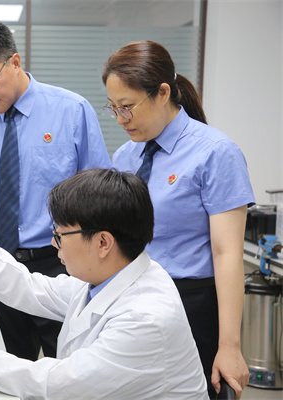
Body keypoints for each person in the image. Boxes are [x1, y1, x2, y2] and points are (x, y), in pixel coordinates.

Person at [0, 169, 207, 400]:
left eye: (60, 235)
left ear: (103, 242)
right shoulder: (110, 275)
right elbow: (26, 286)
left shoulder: (145, 318)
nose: (53, 242)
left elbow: (56, 384)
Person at [0, 21, 110, 362]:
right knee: (17, 368)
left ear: (15, 62)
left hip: (63, 265)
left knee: (69, 369)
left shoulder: (72, 112)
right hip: (1, 265)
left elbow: (101, 200)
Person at [103, 40, 254, 398]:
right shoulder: (125, 156)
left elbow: (227, 254)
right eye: (113, 108)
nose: (121, 119)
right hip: (132, 300)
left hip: (190, 304)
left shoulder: (215, 153)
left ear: (163, 93)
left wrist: (230, 346)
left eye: (127, 107)